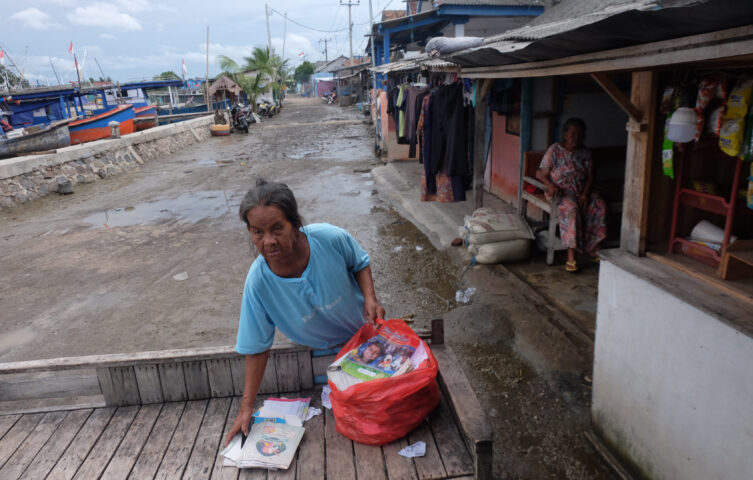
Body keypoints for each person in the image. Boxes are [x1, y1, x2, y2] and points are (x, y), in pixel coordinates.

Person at [224, 179, 385, 445]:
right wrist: (246, 409)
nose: (268, 241)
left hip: (364, 342)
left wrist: (371, 298)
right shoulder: (258, 283)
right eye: (257, 232)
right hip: (315, 355)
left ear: (296, 223)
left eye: (277, 229)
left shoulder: (329, 238)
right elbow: (256, 347)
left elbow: (360, 262)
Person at [536, 118, 607, 272]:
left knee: (598, 204)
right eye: (573, 134)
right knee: (572, 210)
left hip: (580, 190)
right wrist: (551, 185)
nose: (576, 138)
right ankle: (571, 256)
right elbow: (540, 174)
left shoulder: (585, 152)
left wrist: (586, 194)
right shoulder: (555, 150)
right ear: (565, 134)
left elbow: (590, 175)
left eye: (580, 135)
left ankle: (593, 248)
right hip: (560, 192)